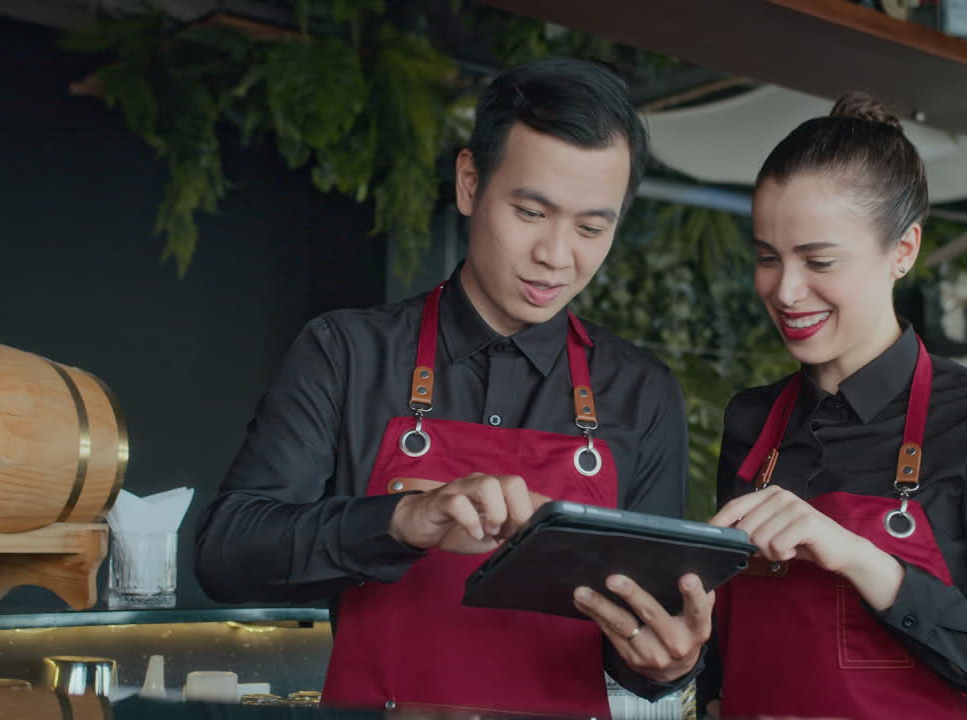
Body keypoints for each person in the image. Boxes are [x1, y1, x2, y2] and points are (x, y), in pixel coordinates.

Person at [194, 56, 710, 717]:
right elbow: (227, 551)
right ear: (470, 183)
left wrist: (667, 662)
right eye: (531, 211)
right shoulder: (346, 353)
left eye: (591, 228)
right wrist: (401, 522)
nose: (557, 255)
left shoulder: (641, 395)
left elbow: (640, 648)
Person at [704, 92, 967, 720]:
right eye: (768, 257)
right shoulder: (751, 423)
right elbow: (725, 650)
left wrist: (862, 560)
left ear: (903, 250)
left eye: (819, 260)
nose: (786, 290)